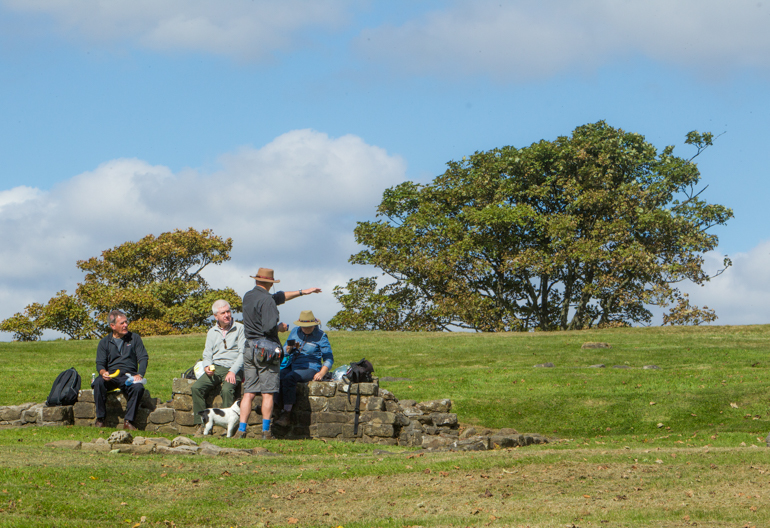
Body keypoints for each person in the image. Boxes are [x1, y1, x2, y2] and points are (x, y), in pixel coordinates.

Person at [237, 268, 321, 439]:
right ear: (270, 282)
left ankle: (241, 430)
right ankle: (266, 431)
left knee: (249, 392)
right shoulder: (267, 301)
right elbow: (269, 327)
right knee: (268, 392)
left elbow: (279, 297)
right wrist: (280, 328)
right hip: (266, 350)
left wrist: (302, 292)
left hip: (249, 347)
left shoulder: (248, 296)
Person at [191, 299, 245, 435]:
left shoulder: (240, 328)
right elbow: (207, 353)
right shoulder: (212, 332)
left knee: (227, 390)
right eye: (223, 313)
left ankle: (228, 428)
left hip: (234, 367)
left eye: (228, 311)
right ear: (216, 316)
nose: (227, 315)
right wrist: (207, 366)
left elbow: (243, 354)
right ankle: (202, 424)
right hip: (216, 367)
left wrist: (233, 371)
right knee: (196, 387)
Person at [274, 310, 333, 427]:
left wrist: (322, 373)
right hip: (292, 364)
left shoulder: (321, 336)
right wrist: (289, 348)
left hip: (310, 367)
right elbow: (286, 348)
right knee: (277, 376)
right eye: (303, 327)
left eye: (308, 327)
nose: (304, 329)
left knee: (290, 378)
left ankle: (287, 414)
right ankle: (274, 408)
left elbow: (329, 358)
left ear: (314, 325)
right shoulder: (295, 331)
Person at [93, 310, 149, 430]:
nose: (126, 325)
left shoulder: (134, 338)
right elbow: (100, 364)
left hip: (129, 376)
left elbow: (143, 357)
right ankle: (101, 420)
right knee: (98, 382)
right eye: (122, 323)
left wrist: (140, 374)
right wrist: (103, 373)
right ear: (112, 326)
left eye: (126, 322)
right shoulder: (104, 342)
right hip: (112, 376)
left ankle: (128, 422)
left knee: (138, 388)